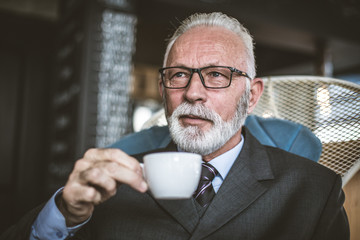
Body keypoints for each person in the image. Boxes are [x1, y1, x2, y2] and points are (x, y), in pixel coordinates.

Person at [1, 12, 349, 240]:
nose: (192, 93)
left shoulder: (315, 190)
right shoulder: (113, 177)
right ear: (162, 89)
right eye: (179, 75)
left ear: (252, 95)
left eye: (216, 75)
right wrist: (65, 212)